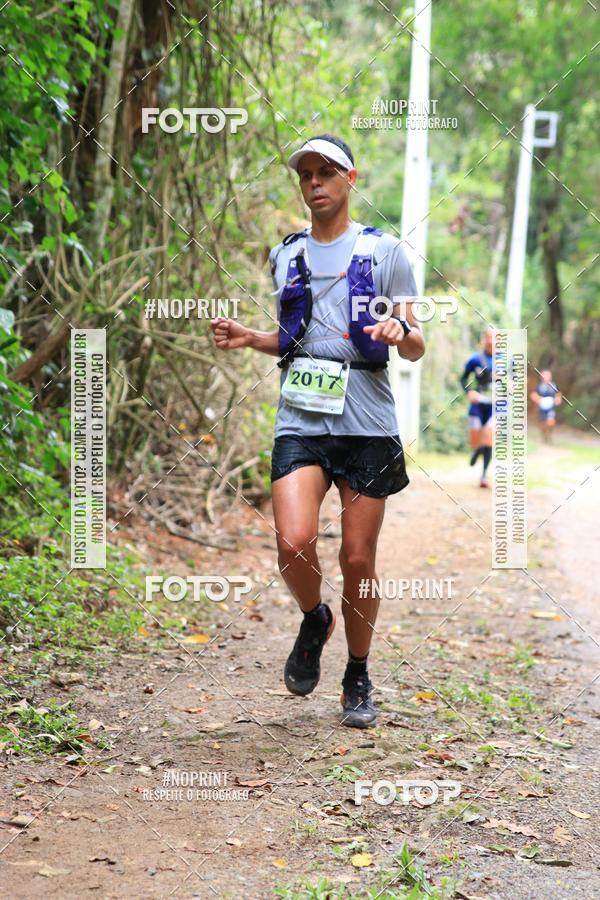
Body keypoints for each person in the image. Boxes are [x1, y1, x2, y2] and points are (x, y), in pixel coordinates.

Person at [210, 134, 424, 728]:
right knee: (292, 542)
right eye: (305, 174)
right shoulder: (287, 256)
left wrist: (398, 334)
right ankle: (314, 619)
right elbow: (294, 333)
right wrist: (251, 338)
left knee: (357, 557)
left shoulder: (386, 254)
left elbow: (417, 343)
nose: (313, 183)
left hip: (367, 420)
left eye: (325, 171)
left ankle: (358, 673)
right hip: (301, 416)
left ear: (350, 179)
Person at [460, 325, 496, 488]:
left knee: (488, 438)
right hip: (478, 404)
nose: (491, 340)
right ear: (484, 339)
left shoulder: (507, 360)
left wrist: (513, 386)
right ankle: (476, 449)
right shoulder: (475, 359)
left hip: (497, 405)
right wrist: (469, 392)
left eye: (494, 337)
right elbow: (463, 379)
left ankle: (483, 475)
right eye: (488, 336)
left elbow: (518, 378)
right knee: (475, 440)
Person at [530, 369, 561, 442]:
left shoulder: (554, 386)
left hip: (551, 408)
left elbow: (558, 394)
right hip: (541, 408)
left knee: (551, 422)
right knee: (542, 424)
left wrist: (557, 400)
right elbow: (533, 394)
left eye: (548, 376)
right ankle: (544, 436)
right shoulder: (539, 386)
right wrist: (538, 399)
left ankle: (549, 435)